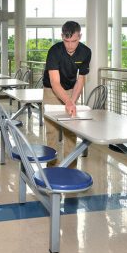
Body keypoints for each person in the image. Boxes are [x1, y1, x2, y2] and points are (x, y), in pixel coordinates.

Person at [42, 21, 92, 168]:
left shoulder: (85, 52)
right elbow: (55, 83)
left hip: (71, 90)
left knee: (71, 131)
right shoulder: (54, 51)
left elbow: (81, 79)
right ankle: (52, 166)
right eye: (66, 41)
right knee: (52, 131)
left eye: (74, 41)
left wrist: (72, 101)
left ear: (80, 36)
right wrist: (68, 102)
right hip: (51, 90)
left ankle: (70, 167)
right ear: (62, 36)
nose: (70, 46)